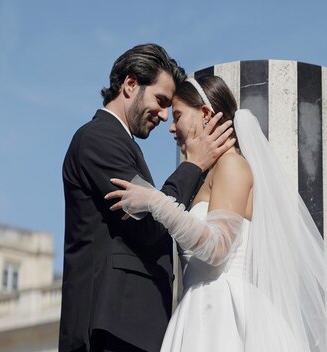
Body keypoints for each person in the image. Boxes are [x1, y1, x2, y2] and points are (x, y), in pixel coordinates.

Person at [106, 75, 327, 351]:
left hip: (223, 311)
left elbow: (218, 248)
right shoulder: (205, 176)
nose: (171, 127)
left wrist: (156, 203)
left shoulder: (233, 166)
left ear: (206, 114)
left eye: (179, 116)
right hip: (198, 309)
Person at [60, 44, 235, 352]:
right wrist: (194, 165)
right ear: (130, 85)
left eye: (172, 108)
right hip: (109, 327)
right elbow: (149, 224)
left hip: (126, 328)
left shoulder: (120, 143)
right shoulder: (99, 139)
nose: (164, 114)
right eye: (160, 100)